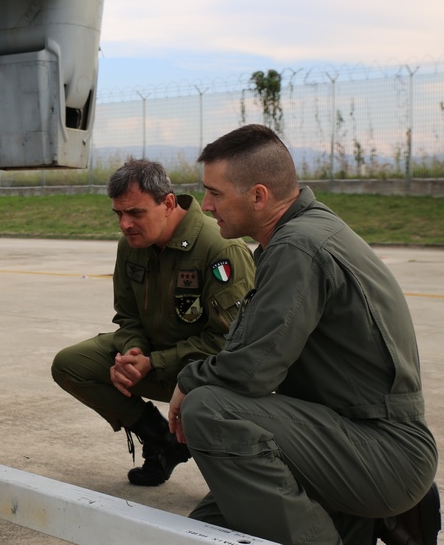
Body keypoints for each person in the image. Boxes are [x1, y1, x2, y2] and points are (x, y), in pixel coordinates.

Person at [169, 124, 440, 544]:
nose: (205, 206)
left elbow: (250, 372)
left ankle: (362, 516)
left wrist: (189, 380)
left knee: (209, 408)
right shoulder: (301, 234)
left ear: (259, 196)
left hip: (382, 452)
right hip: (350, 438)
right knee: (204, 532)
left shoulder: (299, 247)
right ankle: (357, 521)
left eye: (215, 193)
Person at [51, 159, 255, 486]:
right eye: (119, 214)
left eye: (136, 213)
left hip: (205, 370)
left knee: (207, 402)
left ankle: (234, 477)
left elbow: (229, 341)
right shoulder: (131, 247)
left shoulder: (219, 248)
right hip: (155, 362)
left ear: (168, 204)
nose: (125, 224)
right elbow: (128, 316)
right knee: (71, 364)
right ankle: (161, 440)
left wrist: (153, 362)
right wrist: (132, 353)